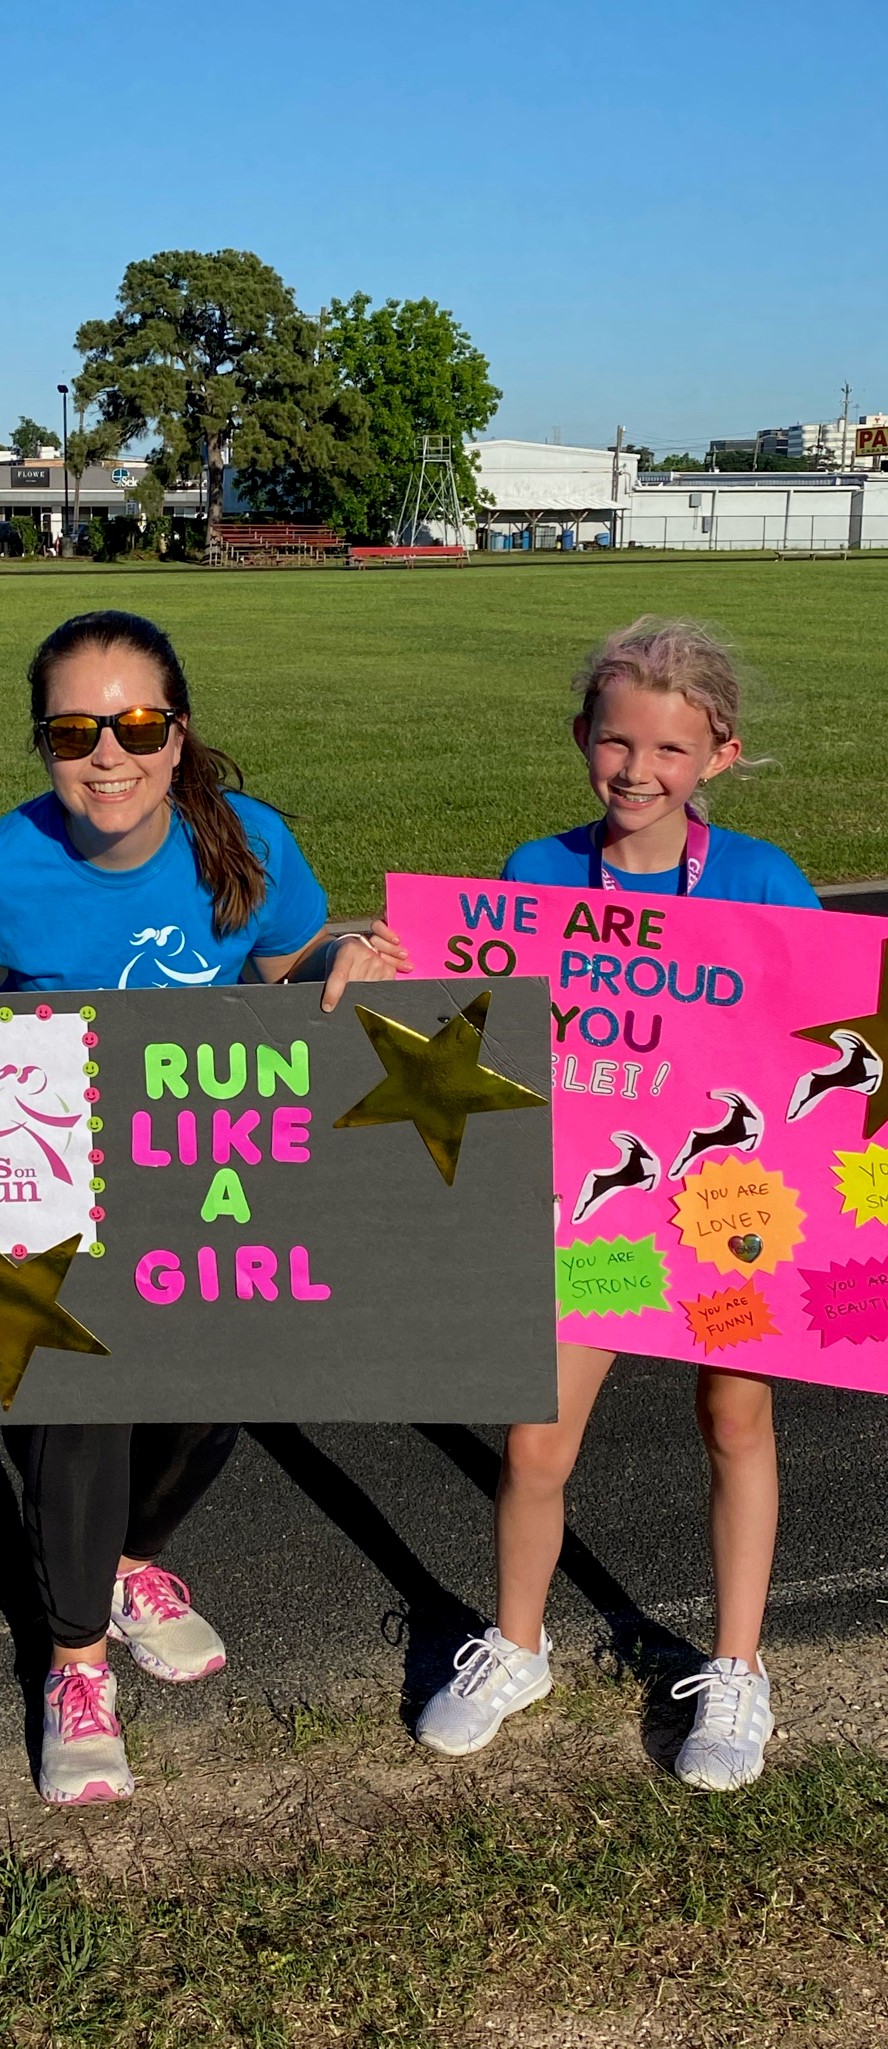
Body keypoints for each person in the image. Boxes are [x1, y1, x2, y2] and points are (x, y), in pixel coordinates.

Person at [0, 608, 407, 1806]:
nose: (108, 754)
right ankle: (76, 1664)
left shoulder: (253, 840)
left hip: (206, 1167)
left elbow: (291, 964)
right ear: (43, 741)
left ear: (178, 734)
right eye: (75, 728)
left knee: (221, 1396)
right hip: (56, 1174)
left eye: (137, 723)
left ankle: (130, 1565)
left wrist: (354, 948)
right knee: (85, 1410)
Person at [415, 617, 819, 1792]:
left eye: (670, 751)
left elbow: (831, 1030)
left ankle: (737, 1669)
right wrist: (385, 958)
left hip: (734, 1215)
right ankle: (519, 1644)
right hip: (607, 1215)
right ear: (580, 739)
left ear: (720, 758)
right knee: (539, 1440)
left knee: (736, 1425)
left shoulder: (762, 880)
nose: (637, 770)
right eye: (614, 742)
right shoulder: (537, 874)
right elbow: (473, 1014)